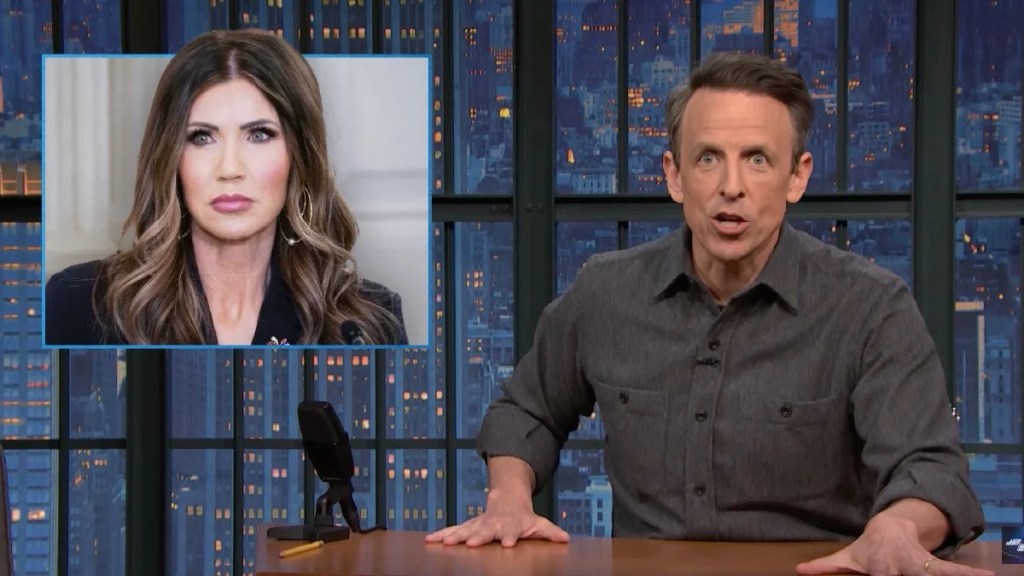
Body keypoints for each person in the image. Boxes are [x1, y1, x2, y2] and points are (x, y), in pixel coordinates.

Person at [426, 52, 992, 576]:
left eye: (757, 160)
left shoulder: (869, 307)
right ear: (675, 175)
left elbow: (932, 468)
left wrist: (898, 526)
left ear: (797, 176)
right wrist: (508, 499)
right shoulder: (606, 293)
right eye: (708, 159)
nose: (731, 188)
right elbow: (527, 408)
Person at [45, 29, 407, 346]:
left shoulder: (368, 321)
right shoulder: (80, 303)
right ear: (171, 159)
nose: (230, 169)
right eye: (202, 137)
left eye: (259, 134)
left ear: (299, 155)